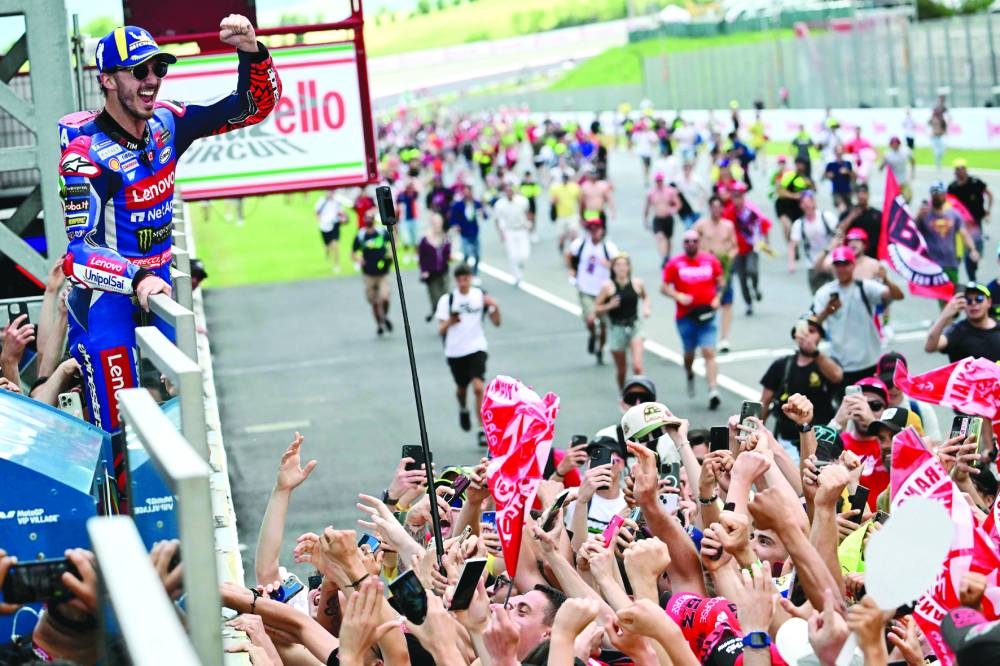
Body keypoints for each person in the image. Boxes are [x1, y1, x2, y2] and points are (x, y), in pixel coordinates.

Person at [58, 16, 279, 438]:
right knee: (120, 429)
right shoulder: (86, 153)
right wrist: (136, 278)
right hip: (107, 296)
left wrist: (251, 51)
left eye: (159, 68)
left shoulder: (168, 122)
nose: (152, 80)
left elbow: (253, 107)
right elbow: (78, 252)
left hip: (161, 284)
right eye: (138, 70)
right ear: (106, 80)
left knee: (189, 419)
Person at [813, 246, 903, 396]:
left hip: (869, 362)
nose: (841, 269)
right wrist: (827, 312)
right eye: (837, 265)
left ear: (853, 265)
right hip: (841, 364)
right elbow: (813, 323)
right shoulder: (825, 293)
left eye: (845, 264)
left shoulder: (865, 287)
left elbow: (897, 295)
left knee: (871, 408)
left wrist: (886, 279)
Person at [759, 314, 842, 460]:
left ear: (820, 337)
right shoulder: (782, 365)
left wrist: (814, 352)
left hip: (819, 440)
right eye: (803, 331)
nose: (807, 336)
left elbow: (837, 376)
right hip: (787, 442)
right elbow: (765, 401)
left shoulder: (825, 363)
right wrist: (757, 432)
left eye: (812, 331)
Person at [437, 264, 501, 447]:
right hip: (455, 351)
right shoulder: (447, 300)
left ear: (470, 278)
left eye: (466, 279)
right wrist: (451, 321)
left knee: (479, 387)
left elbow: (496, 322)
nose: (463, 283)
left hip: (476, 347)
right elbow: (440, 329)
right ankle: (463, 408)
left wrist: (494, 306)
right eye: (459, 280)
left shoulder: (480, 296)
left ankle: (482, 429)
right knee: (461, 389)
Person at [662, 229, 724, 409]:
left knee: (708, 351)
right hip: (686, 317)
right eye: (687, 241)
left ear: (699, 242)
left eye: (694, 241)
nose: (691, 244)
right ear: (683, 244)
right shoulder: (675, 264)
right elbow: (664, 286)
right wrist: (678, 296)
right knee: (689, 353)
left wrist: (717, 298)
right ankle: (689, 371)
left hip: (707, 315)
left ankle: (713, 390)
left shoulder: (710, 260)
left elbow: (721, 282)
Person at [828, 377, 892, 509]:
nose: (865, 410)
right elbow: (811, 465)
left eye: (874, 406)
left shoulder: (891, 442)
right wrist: (837, 421)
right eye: (859, 405)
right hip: (853, 523)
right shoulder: (839, 441)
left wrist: (873, 423)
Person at [592, 254, 651, 391]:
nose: (622, 268)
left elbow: (646, 297)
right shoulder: (608, 287)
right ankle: (623, 393)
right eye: (618, 265)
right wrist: (609, 306)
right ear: (613, 268)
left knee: (637, 366)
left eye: (625, 265)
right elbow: (596, 308)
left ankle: (641, 398)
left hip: (634, 326)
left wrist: (646, 308)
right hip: (616, 328)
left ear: (629, 267)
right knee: (622, 368)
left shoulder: (637, 283)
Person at [567, 218, 619, 365]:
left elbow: (619, 265)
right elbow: (569, 255)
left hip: (603, 292)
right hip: (586, 289)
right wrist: (571, 269)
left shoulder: (608, 247)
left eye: (597, 228)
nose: (594, 231)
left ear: (602, 230)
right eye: (591, 228)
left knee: (604, 325)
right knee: (590, 319)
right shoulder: (581, 244)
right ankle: (592, 334)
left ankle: (600, 349)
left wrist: (608, 265)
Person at [693, 195, 738, 352]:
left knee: (726, 301)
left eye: (719, 207)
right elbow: (691, 241)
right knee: (707, 302)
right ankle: (705, 337)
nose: (716, 210)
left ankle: (724, 337)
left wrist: (729, 257)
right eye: (713, 207)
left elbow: (734, 246)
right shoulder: (701, 225)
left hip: (724, 266)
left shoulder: (728, 226)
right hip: (707, 268)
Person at [916, 181, 980, 289]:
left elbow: (964, 234)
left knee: (952, 295)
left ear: (945, 195)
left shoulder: (953, 214)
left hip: (951, 262)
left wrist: (973, 249)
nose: (937, 197)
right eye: (934, 194)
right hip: (933, 263)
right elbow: (912, 232)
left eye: (940, 194)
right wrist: (918, 216)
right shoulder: (924, 214)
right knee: (943, 296)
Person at [925, 282, 1000, 363]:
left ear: (989, 302)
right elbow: (930, 347)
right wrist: (945, 316)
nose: (973, 303)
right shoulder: (956, 332)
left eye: (979, 298)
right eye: (968, 300)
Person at [948, 159, 993, 283]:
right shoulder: (952, 188)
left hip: (975, 223)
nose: (960, 171)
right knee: (967, 251)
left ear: (966, 170)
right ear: (955, 172)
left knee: (977, 250)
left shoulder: (975, 183)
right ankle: (971, 278)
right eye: (957, 169)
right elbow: (949, 205)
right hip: (961, 224)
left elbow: (989, 195)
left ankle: (973, 267)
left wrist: (987, 211)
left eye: (962, 168)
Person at [725, 182, 767, 316]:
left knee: (752, 270)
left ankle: (755, 287)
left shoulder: (751, 210)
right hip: (736, 250)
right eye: (734, 196)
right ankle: (748, 303)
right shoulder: (729, 212)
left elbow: (764, 225)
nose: (736, 199)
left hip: (751, 247)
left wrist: (764, 242)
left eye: (739, 196)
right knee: (742, 278)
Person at [352, 212, 394, 336]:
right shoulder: (361, 236)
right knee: (375, 302)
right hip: (369, 274)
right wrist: (359, 260)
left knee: (385, 298)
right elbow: (353, 253)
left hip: (383, 273)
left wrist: (391, 253)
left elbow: (393, 241)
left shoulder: (381, 233)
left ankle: (384, 316)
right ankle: (380, 324)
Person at [787, 190, 838, 293]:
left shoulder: (826, 217)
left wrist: (835, 246)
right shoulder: (799, 224)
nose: (807, 206)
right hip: (813, 264)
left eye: (809, 202)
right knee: (818, 296)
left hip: (831, 262)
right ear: (800, 206)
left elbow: (839, 233)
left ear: (814, 202)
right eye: (804, 204)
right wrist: (791, 263)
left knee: (837, 293)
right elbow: (792, 245)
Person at [493, 183, 532, 285]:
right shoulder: (500, 205)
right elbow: (497, 220)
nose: (509, 193)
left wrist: (529, 223)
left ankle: (520, 264)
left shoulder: (522, 201)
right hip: (509, 231)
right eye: (507, 191)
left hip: (521, 229)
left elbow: (528, 212)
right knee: (512, 255)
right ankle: (517, 275)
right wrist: (500, 234)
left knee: (524, 254)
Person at [417, 213, 451, 323]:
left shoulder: (445, 238)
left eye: (439, 222)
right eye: (435, 222)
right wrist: (424, 271)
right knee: (437, 299)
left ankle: (446, 322)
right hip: (431, 274)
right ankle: (435, 311)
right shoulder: (425, 240)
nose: (437, 225)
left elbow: (447, 254)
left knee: (446, 297)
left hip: (443, 271)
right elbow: (421, 257)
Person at [644, 172, 681, 263]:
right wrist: (645, 219)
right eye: (657, 181)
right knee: (660, 237)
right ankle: (663, 257)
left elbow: (678, 204)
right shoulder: (651, 193)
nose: (659, 182)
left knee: (668, 239)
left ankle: (668, 256)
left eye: (660, 180)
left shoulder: (670, 191)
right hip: (658, 219)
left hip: (668, 218)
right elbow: (647, 207)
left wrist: (672, 210)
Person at [447, 184, 484, 277]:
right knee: (467, 254)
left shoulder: (476, 204)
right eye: (465, 193)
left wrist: (482, 212)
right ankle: (465, 272)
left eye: (469, 192)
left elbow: (484, 215)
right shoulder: (458, 205)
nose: (467, 195)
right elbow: (452, 218)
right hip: (464, 233)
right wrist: (456, 225)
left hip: (475, 232)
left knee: (477, 255)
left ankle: (474, 274)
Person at [838, 183, 881, 258]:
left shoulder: (877, 214)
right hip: (852, 256)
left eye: (864, 193)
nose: (861, 196)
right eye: (859, 193)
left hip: (873, 255)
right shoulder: (848, 213)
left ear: (868, 194)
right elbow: (839, 230)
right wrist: (851, 217)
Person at [547, 171, 581, 253]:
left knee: (574, 233)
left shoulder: (575, 187)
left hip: (572, 215)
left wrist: (580, 213)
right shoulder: (555, 188)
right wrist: (554, 201)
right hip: (561, 216)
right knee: (562, 236)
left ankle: (574, 250)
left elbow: (579, 200)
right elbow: (551, 201)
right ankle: (561, 247)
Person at [315, 190, 347, 273]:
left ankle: (336, 265)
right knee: (328, 246)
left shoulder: (337, 202)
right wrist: (320, 221)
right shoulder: (322, 201)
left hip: (334, 225)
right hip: (324, 227)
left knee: (335, 245)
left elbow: (342, 213)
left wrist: (343, 219)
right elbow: (317, 213)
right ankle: (327, 250)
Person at [879, 136, 914, 203]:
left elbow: (913, 160)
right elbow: (881, 167)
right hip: (893, 182)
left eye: (896, 144)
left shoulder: (906, 151)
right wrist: (883, 162)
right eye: (893, 144)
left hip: (904, 180)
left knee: (908, 198)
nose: (895, 146)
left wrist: (912, 172)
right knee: (894, 201)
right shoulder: (888, 155)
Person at [394, 179, 421, 264]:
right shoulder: (401, 195)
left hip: (413, 219)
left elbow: (418, 191)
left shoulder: (414, 194)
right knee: (405, 239)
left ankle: (416, 254)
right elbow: (398, 207)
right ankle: (406, 254)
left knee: (415, 238)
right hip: (404, 220)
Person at [822, 145, 854, 211]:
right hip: (836, 192)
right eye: (837, 151)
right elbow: (824, 176)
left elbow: (854, 176)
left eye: (840, 150)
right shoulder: (831, 165)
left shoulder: (847, 163)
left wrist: (847, 172)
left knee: (849, 210)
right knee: (842, 208)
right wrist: (828, 175)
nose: (839, 152)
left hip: (847, 191)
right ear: (835, 152)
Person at [929, 95, 949, 169]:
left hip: (940, 136)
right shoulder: (932, 120)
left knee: (943, 150)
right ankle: (938, 163)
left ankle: (938, 161)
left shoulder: (942, 120)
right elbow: (928, 126)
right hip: (934, 137)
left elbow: (945, 127)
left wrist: (944, 132)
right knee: (937, 151)